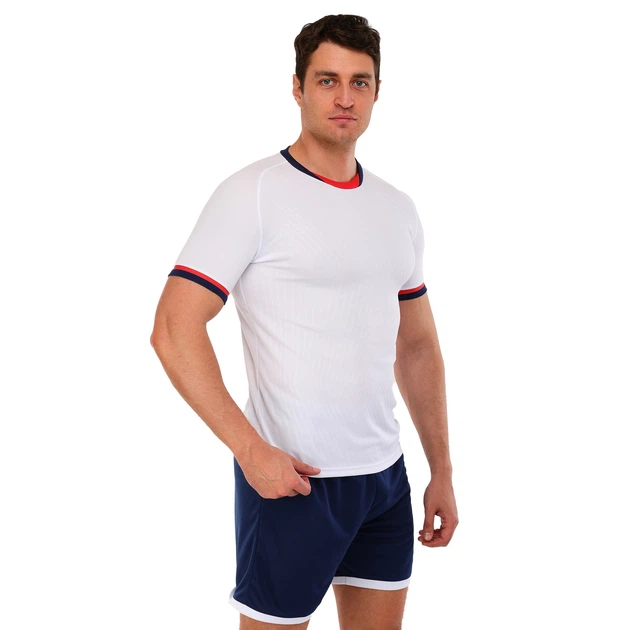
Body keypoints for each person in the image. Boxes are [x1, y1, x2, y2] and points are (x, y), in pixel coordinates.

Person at [150, 14, 458, 630]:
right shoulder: (253, 193)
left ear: (377, 91)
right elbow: (174, 329)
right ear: (297, 87)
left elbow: (418, 346)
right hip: (291, 481)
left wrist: (441, 471)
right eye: (326, 80)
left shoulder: (396, 208)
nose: (344, 98)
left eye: (359, 82)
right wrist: (249, 450)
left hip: (384, 480)